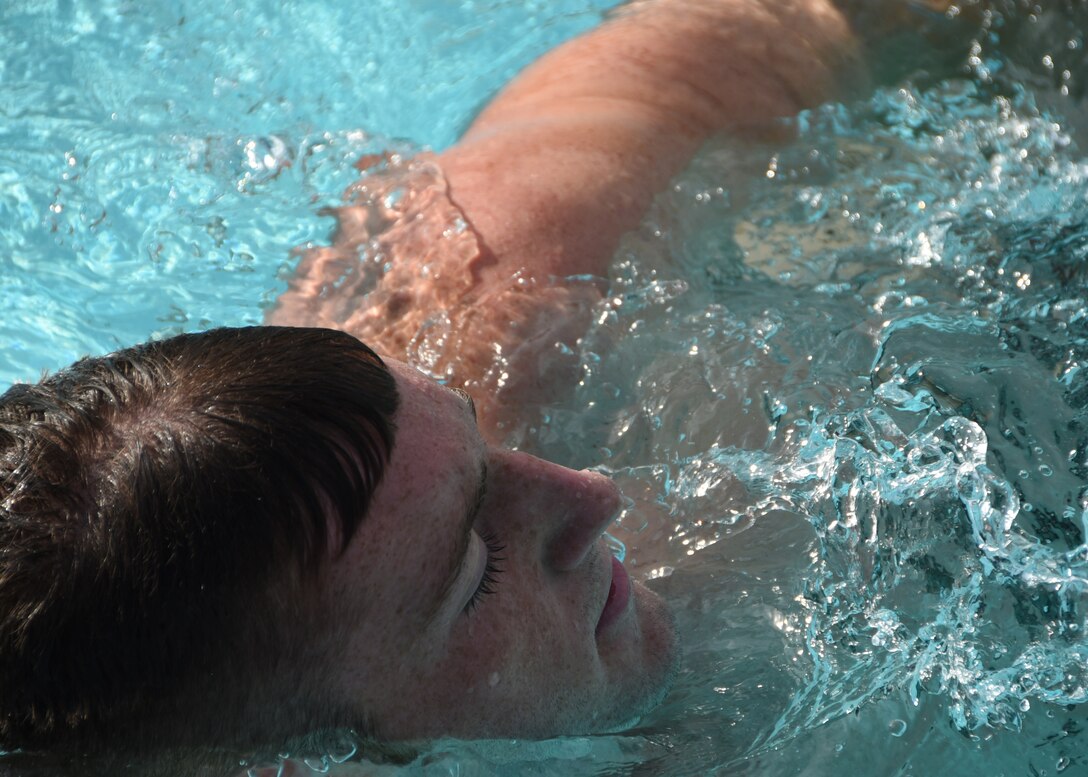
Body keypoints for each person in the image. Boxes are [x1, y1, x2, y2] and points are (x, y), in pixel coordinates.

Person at [0, 0, 972, 772]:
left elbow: (803, 17)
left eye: (479, 440)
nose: (593, 496)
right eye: (475, 572)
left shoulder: (511, 276)